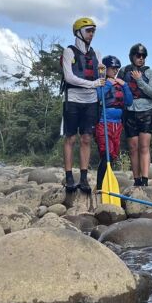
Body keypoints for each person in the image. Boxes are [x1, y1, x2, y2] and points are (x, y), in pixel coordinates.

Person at [61, 17, 103, 196]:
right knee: (70, 138)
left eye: (93, 31)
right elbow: (69, 77)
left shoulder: (97, 53)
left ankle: (84, 177)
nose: (91, 34)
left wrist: (100, 83)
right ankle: (69, 176)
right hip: (73, 99)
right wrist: (92, 84)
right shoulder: (68, 52)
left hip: (91, 101)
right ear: (79, 32)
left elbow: (100, 76)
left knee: (86, 139)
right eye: (88, 31)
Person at [119, 43, 152, 187]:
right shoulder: (123, 71)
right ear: (132, 57)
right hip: (129, 112)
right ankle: (136, 179)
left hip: (147, 112)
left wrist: (139, 80)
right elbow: (118, 90)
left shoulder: (150, 73)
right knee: (133, 147)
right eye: (138, 56)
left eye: (143, 56)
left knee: (144, 146)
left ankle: (145, 179)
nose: (141, 58)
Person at [94, 55, 134, 194]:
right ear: (106, 69)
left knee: (113, 154)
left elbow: (128, 102)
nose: (115, 71)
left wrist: (125, 85)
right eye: (112, 68)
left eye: (117, 68)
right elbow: (99, 96)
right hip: (104, 123)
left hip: (117, 124)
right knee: (106, 154)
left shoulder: (121, 84)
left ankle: (105, 182)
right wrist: (109, 83)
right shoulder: (102, 82)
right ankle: (100, 186)